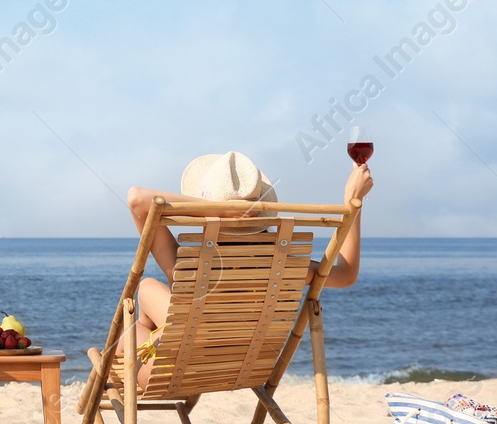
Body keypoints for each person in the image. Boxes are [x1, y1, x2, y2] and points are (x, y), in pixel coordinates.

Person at [122, 156, 374, 388]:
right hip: (239, 373)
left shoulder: (184, 266)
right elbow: (346, 275)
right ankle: (151, 336)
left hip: (171, 375)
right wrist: (354, 203)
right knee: (148, 287)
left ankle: (129, 350)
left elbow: (137, 199)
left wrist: (219, 211)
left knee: (128, 331)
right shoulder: (285, 268)